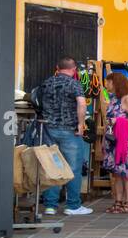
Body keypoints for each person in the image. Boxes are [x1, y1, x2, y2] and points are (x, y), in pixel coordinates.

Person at [38, 57, 92, 216]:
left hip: (48, 130)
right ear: (74, 69)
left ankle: (50, 206)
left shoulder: (46, 83)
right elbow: (82, 104)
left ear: (57, 67)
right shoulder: (74, 84)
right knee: (73, 168)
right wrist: (81, 125)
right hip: (70, 130)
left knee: (52, 167)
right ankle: (73, 206)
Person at [101, 71, 128, 213]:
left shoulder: (127, 99)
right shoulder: (113, 99)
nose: (106, 84)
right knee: (117, 172)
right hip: (113, 141)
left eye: (109, 82)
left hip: (126, 142)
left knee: (127, 173)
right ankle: (118, 201)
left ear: (116, 83)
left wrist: (118, 121)